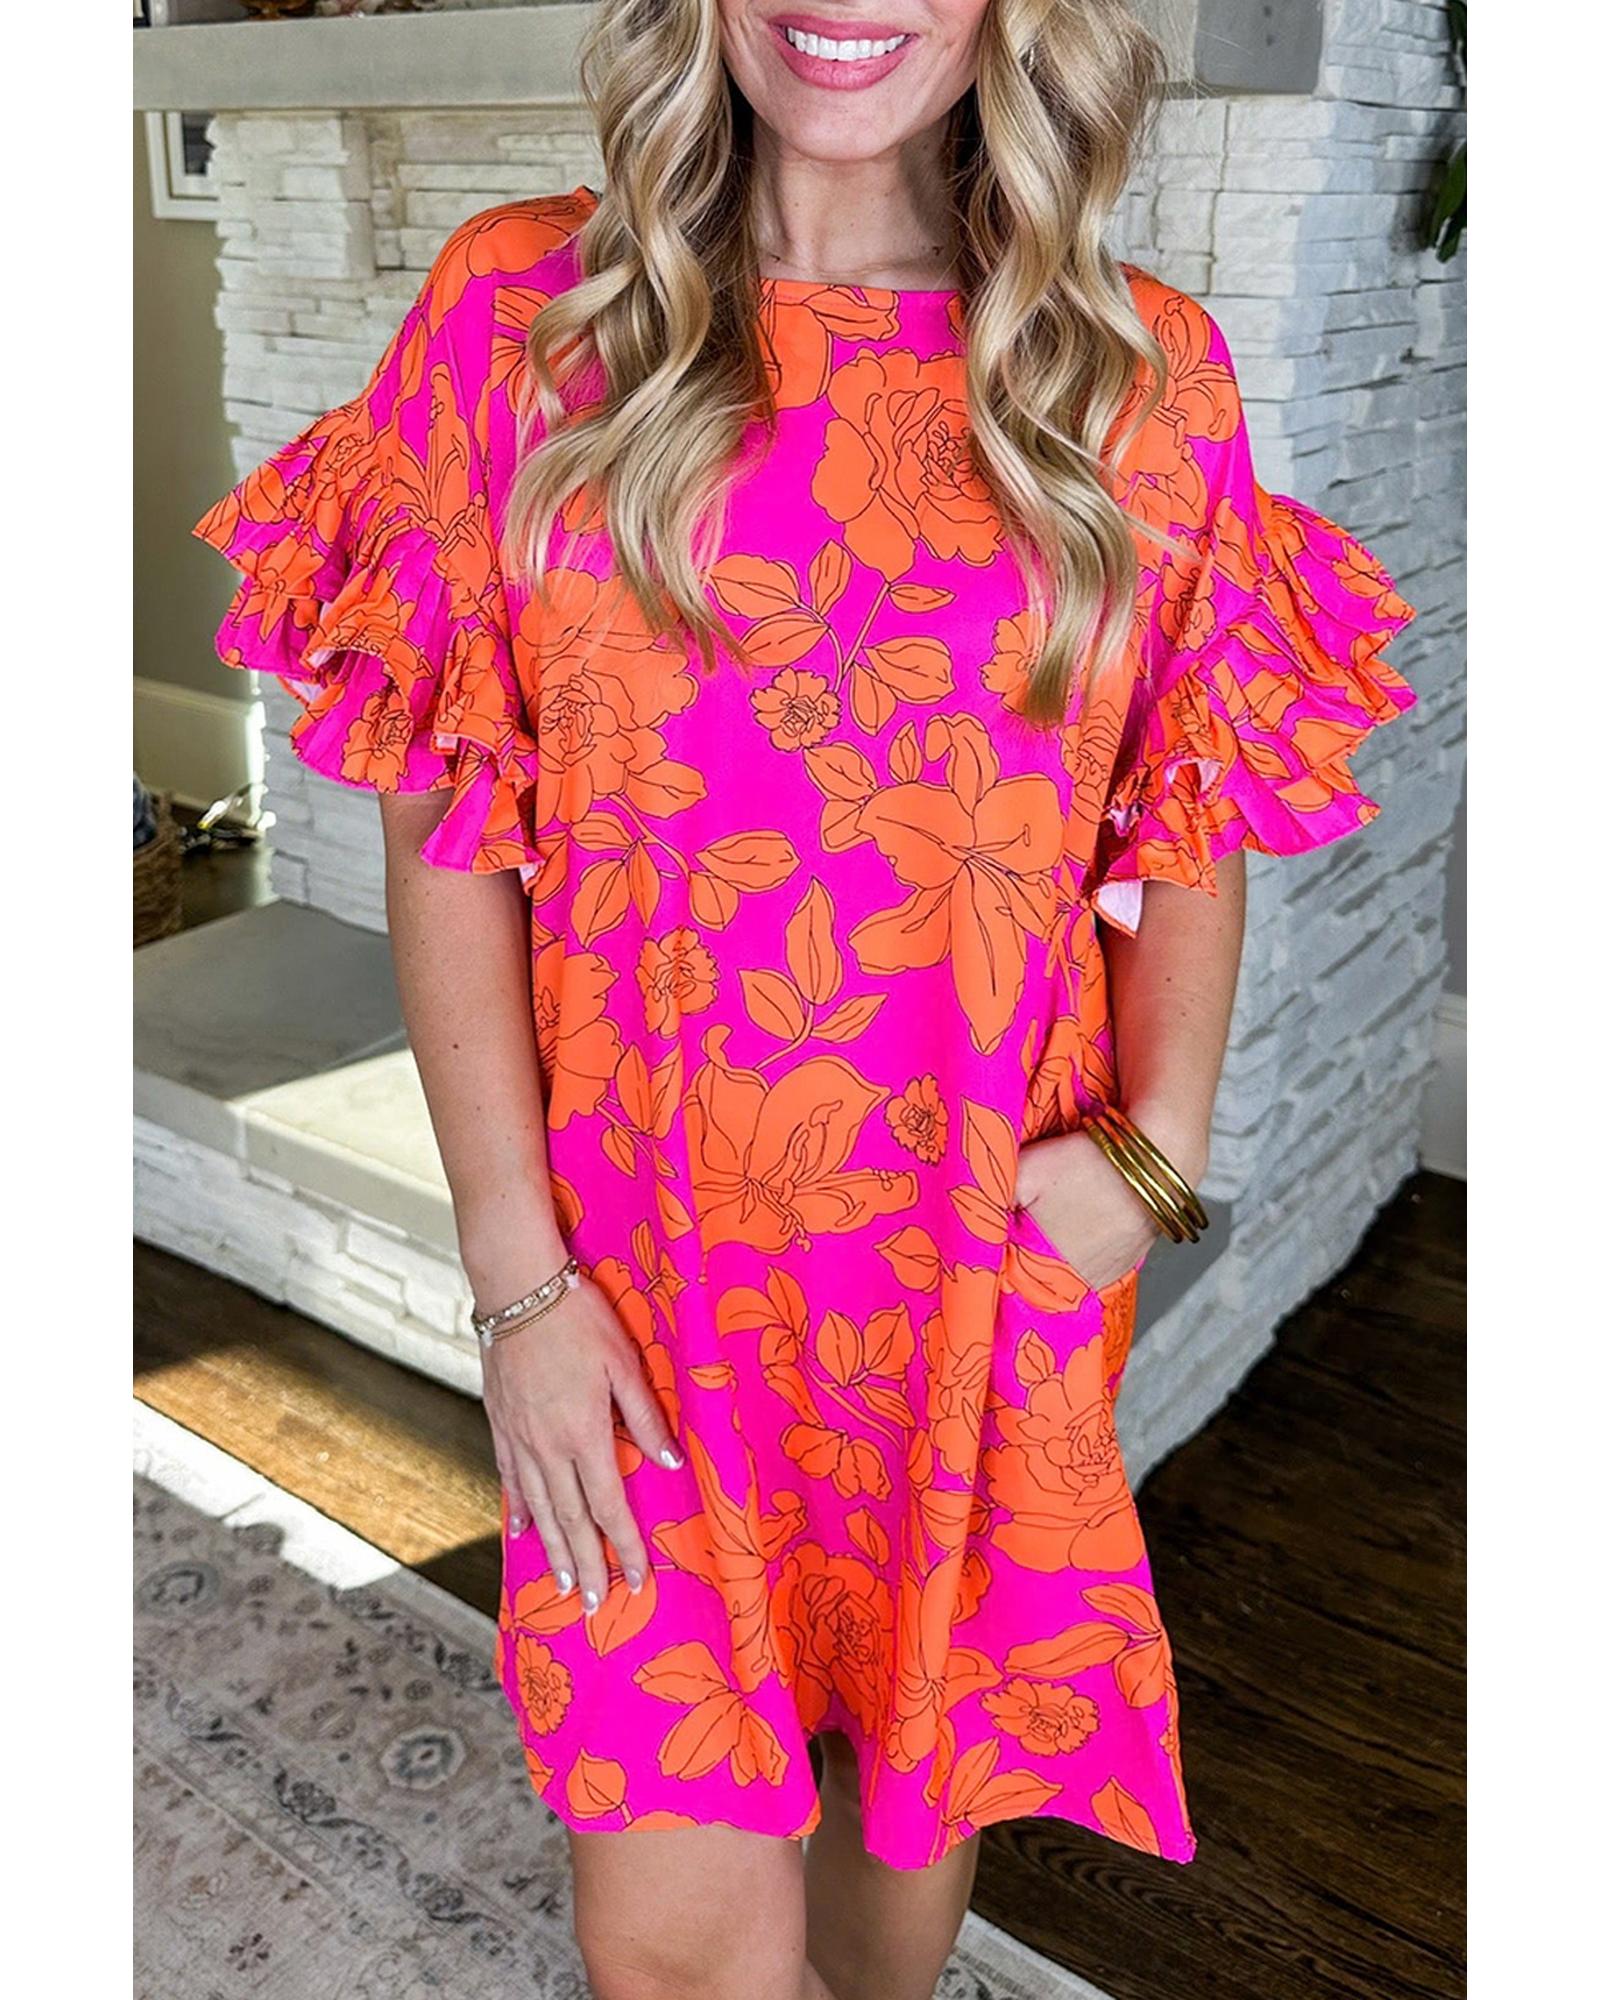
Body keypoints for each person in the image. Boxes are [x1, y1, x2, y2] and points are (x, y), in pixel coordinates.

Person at [192, 4, 1417, 1994]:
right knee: (672, 1932)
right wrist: (517, 1284)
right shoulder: (521, 319)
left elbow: (1196, 804)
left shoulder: (1135, 377)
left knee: (896, 1846)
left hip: (970, 1273)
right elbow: (443, 815)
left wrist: (1155, 1156)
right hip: (640, 1286)